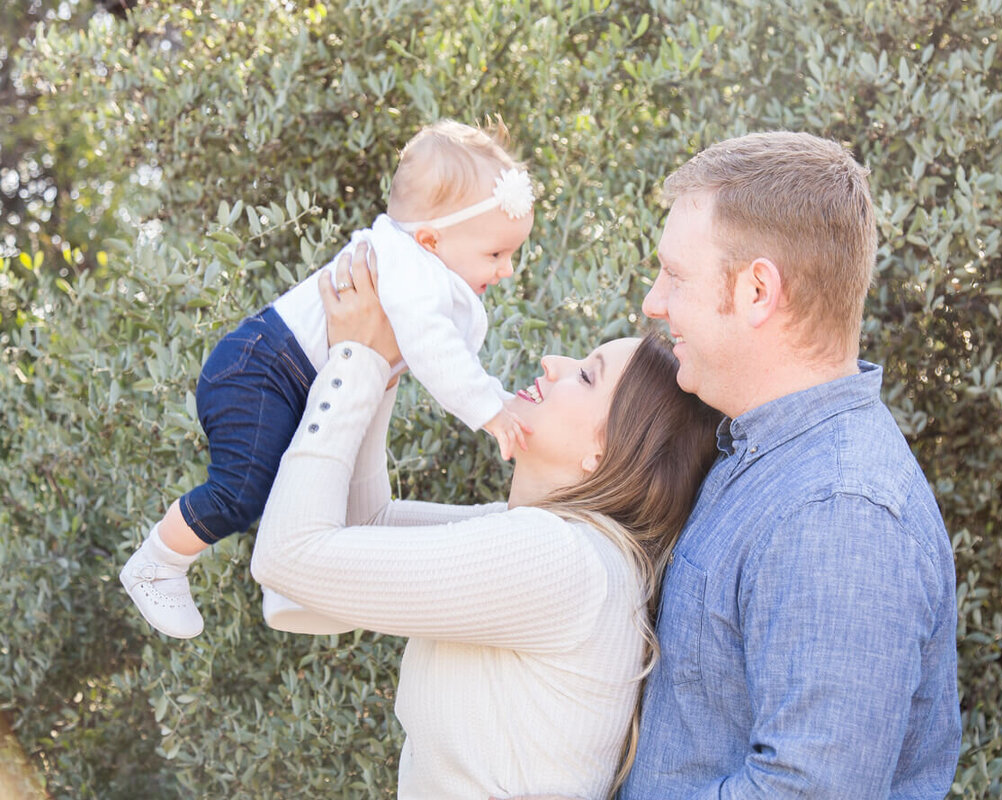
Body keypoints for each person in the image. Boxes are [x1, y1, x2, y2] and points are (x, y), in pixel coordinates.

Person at [250, 243, 724, 798]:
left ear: (606, 454)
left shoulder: (557, 559)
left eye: (586, 377)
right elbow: (363, 524)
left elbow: (288, 557)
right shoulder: (557, 543)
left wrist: (354, 359)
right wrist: (386, 362)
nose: (553, 363)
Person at [617, 132, 962, 797]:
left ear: (756, 290)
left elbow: (805, 792)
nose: (654, 303)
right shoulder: (758, 456)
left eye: (676, 275)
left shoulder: (838, 512)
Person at [120, 119, 536, 639]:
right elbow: (437, 354)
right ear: (431, 238)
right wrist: (490, 411)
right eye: (496, 254)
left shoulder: (422, 266)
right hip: (262, 369)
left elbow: (450, 358)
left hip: (288, 374)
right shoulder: (410, 267)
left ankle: (292, 588)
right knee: (242, 491)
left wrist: (500, 402)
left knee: (301, 482)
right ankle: (156, 563)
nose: (507, 270)